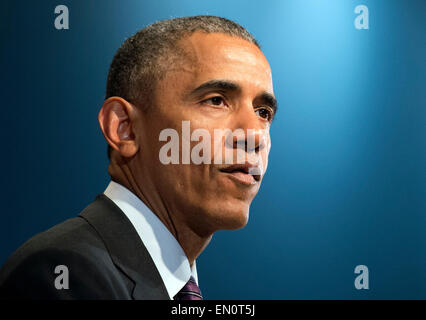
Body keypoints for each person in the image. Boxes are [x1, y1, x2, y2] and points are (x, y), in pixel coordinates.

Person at [0, 15, 277, 300]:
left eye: (263, 113)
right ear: (125, 129)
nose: (255, 136)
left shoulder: (171, 284)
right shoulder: (63, 274)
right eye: (216, 100)